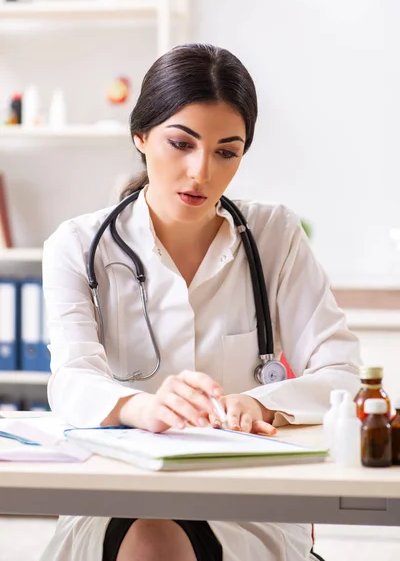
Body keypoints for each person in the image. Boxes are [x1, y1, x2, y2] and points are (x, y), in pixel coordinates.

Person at [39, 43, 361, 561]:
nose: (201, 172)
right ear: (140, 137)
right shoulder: (76, 245)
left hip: (248, 501)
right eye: (181, 143)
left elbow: (343, 373)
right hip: (116, 491)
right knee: (151, 534)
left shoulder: (274, 234)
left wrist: (260, 403)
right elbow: (71, 379)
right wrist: (143, 408)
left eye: (226, 151)